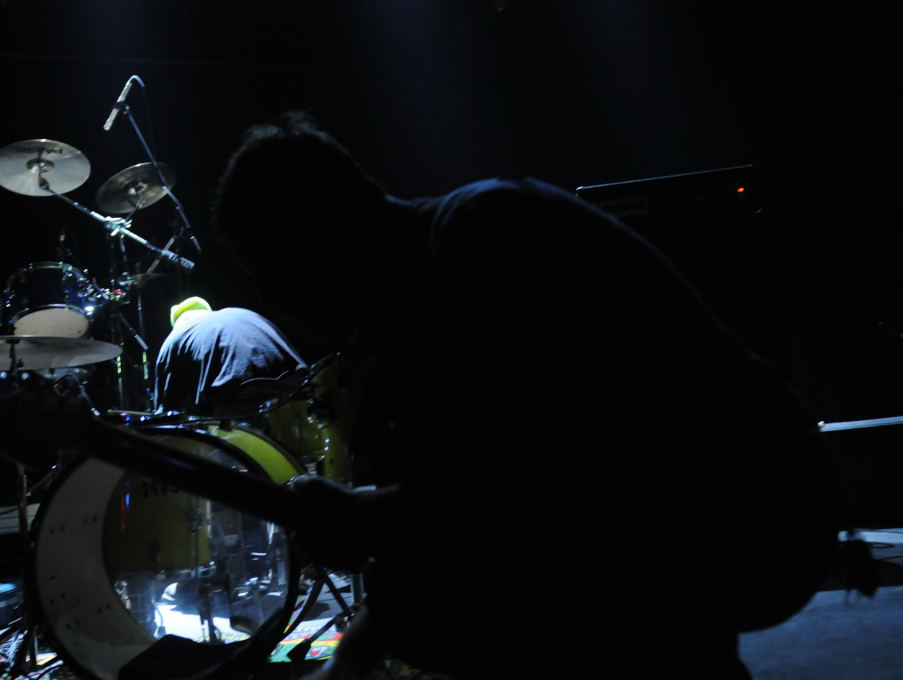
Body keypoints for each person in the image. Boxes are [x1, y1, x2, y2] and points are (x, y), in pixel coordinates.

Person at [211, 111, 847, 678]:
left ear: (316, 218)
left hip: (754, 503)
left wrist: (373, 517)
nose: (271, 298)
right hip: (667, 522)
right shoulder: (399, 329)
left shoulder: (489, 231)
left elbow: (582, 460)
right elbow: (461, 525)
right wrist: (350, 659)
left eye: (265, 267)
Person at [153, 297, 308, 418]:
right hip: (295, 382)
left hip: (240, 394)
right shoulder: (240, 313)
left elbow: (167, 414)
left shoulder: (174, 338)